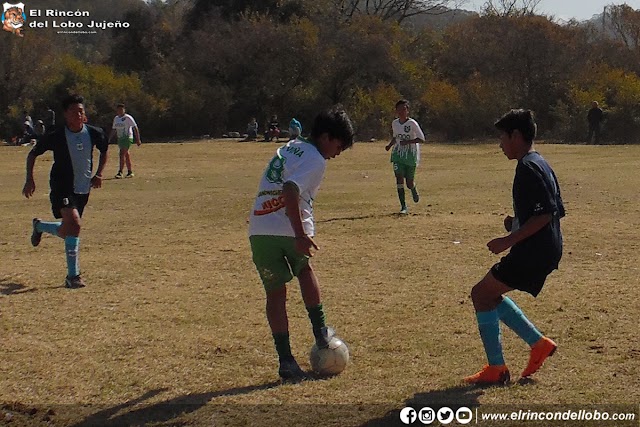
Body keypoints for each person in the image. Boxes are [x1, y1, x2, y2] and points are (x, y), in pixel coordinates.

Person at [248, 106, 355, 381]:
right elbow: (291, 189)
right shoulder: (316, 159)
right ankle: (321, 333)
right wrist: (298, 233)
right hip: (287, 228)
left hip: (259, 229)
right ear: (326, 137)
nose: (337, 153)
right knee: (305, 271)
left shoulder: (291, 146)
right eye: (339, 146)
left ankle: (286, 361)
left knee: (275, 294)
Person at [463, 109, 565, 385]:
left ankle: (497, 369)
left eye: (502, 137)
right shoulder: (540, 162)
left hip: (534, 250)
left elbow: (544, 214)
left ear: (516, 136)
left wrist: (507, 240)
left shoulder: (528, 168)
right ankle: (538, 344)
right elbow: (552, 211)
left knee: (481, 295)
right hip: (544, 247)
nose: (500, 144)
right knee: (489, 295)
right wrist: (515, 223)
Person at [22, 94, 109, 289]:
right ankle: (73, 276)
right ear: (65, 115)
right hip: (62, 186)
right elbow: (33, 153)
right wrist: (29, 179)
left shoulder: (94, 133)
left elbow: (104, 150)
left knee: (67, 230)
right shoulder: (57, 135)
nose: (78, 114)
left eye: (81, 111)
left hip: (83, 188)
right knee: (75, 224)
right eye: (74, 111)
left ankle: (40, 226)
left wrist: (99, 174)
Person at [385, 99, 425, 214]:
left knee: (409, 182)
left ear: (407, 110)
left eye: (404, 109)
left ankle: (413, 188)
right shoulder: (395, 123)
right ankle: (403, 206)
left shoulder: (412, 123)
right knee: (399, 178)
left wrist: (408, 142)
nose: (401, 111)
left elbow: (422, 139)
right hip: (398, 153)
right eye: (399, 109)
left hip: (410, 154)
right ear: (396, 111)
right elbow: (396, 137)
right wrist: (389, 145)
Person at [109, 103, 141, 178]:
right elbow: (114, 129)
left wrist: (138, 139)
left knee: (121, 153)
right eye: (118, 109)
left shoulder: (128, 118)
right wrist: (109, 138)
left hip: (127, 137)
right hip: (120, 138)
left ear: (124, 110)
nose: (120, 111)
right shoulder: (116, 118)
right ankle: (130, 172)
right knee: (126, 154)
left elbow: (135, 128)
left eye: (121, 109)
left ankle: (120, 172)